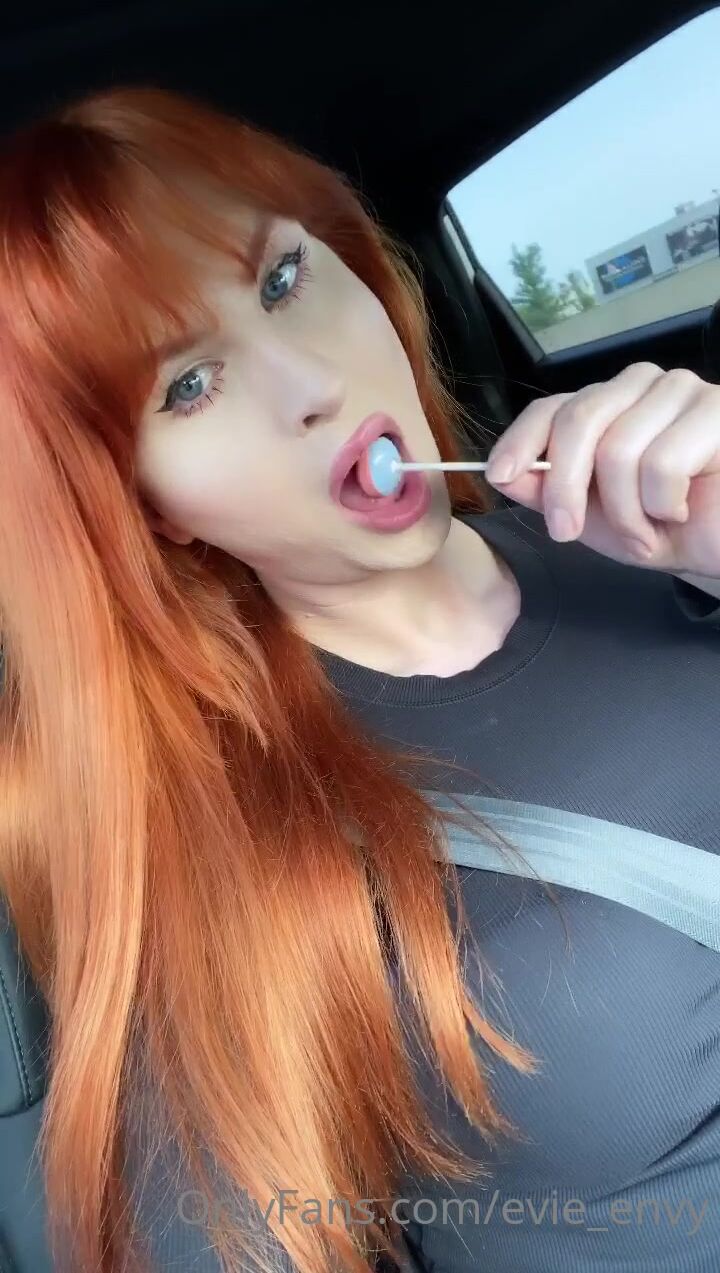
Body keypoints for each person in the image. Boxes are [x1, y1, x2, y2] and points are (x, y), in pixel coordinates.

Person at [0, 86, 718, 1273]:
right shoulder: (217, 839)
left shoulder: (655, 535)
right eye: (187, 385)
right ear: (146, 509)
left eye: (284, 278)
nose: (310, 383)